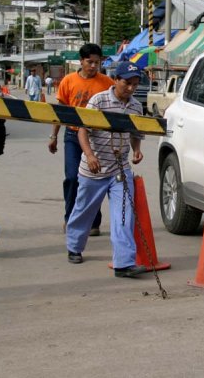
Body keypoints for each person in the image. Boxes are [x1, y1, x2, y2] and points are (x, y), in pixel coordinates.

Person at [65, 61, 146, 278]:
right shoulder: (99, 100)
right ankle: (74, 246)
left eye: (135, 84)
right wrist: (90, 156)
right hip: (94, 169)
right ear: (116, 80)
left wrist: (136, 150)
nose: (130, 88)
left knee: (124, 215)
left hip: (120, 169)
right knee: (84, 211)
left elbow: (136, 133)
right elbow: (82, 131)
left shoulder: (136, 106)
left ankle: (123, 263)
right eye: (127, 83)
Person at [48, 43, 114, 235]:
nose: (93, 66)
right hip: (73, 136)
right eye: (89, 62)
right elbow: (60, 112)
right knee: (72, 178)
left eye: (97, 62)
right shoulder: (68, 81)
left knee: (94, 179)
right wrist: (54, 136)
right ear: (81, 61)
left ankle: (93, 221)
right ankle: (70, 219)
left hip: (97, 139)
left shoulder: (107, 83)